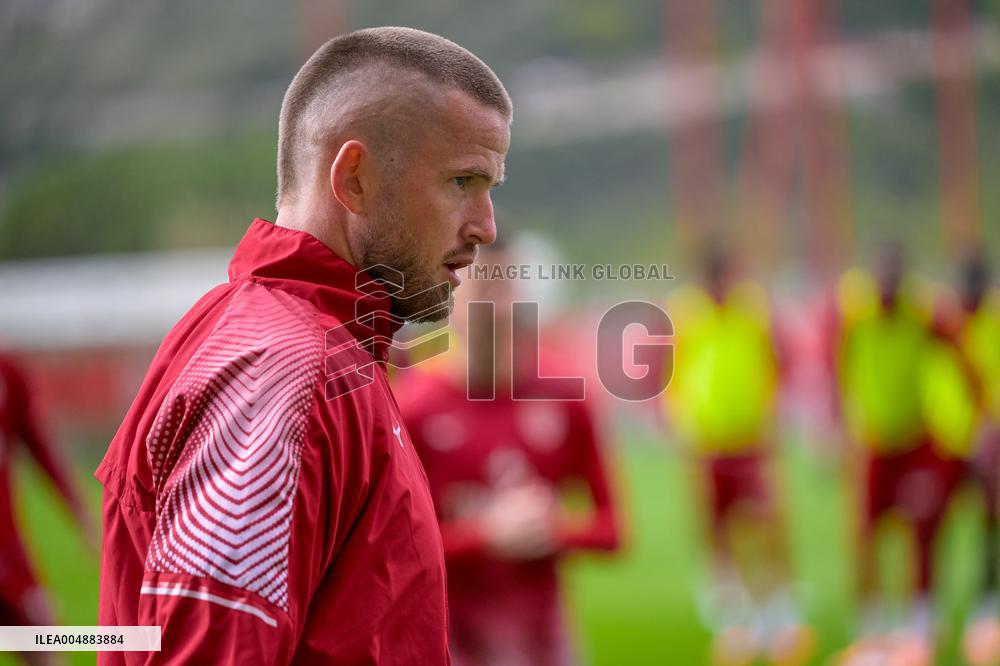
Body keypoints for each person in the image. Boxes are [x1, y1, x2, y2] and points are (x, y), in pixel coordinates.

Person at [95, 27, 510, 664]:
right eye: (462, 182)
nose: (485, 226)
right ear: (355, 179)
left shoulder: (317, 343)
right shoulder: (287, 373)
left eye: (490, 189)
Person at [396, 241, 621, 666]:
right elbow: (396, 552)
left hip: (545, 641)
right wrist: (486, 535)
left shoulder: (565, 396)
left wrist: (550, 529)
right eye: (483, 294)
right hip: (454, 642)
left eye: (506, 292)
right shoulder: (416, 408)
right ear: (452, 302)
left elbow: (613, 530)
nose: (496, 311)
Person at [664, 246, 812, 666]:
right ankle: (731, 612)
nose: (718, 287)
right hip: (706, 439)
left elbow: (779, 360)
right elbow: (671, 367)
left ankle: (780, 605)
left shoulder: (755, 309)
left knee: (768, 520)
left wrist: (773, 410)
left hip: (751, 436)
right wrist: (680, 420)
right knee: (715, 525)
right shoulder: (686, 312)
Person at [0, 351, 95, 666]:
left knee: (43, 639)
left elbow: (40, 447)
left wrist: (80, 513)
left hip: (8, 554)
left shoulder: (8, 373)